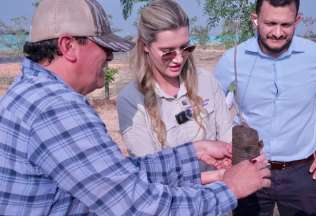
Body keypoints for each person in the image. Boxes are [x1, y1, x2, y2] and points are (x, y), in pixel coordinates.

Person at [0, 0, 271, 215]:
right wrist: (228, 189)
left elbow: (112, 173)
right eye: (103, 47)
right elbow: (136, 204)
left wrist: (193, 153)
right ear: (68, 46)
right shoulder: (57, 108)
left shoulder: (29, 92)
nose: (109, 56)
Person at [214, 0, 316, 215]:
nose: (278, 32)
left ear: (297, 21)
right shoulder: (233, 58)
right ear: (255, 19)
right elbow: (208, 110)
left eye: (286, 25)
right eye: (270, 23)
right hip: (248, 169)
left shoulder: (315, 56)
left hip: (304, 174)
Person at [117, 0, 233, 178]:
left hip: (218, 200)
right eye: (168, 51)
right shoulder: (131, 99)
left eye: (185, 48)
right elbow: (151, 170)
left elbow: (227, 135)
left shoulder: (205, 81)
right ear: (145, 46)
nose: (179, 59)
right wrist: (214, 176)